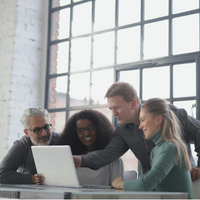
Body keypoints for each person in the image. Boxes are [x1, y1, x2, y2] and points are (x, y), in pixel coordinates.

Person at [73, 81, 200, 181]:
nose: (113, 113)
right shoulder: (122, 130)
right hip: (151, 184)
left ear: (133, 104)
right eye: (111, 108)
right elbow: (107, 154)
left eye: (117, 107)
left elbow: (198, 131)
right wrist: (81, 160)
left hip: (184, 180)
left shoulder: (167, 112)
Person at [112, 98, 193, 198]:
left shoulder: (171, 148)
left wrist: (120, 184)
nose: (140, 126)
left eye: (142, 120)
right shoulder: (156, 150)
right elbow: (152, 187)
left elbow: (145, 184)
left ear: (158, 119)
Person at [35, 109, 124, 186]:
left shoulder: (113, 159)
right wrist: (42, 179)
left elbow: (117, 191)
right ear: (74, 134)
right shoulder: (69, 159)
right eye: (80, 130)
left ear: (100, 129)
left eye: (91, 128)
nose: (86, 134)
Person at [0, 107, 60, 184]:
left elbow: (80, 155)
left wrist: (80, 159)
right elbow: (2, 174)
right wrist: (33, 179)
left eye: (46, 127)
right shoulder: (22, 145)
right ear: (26, 133)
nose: (44, 133)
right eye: (37, 130)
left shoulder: (60, 139)